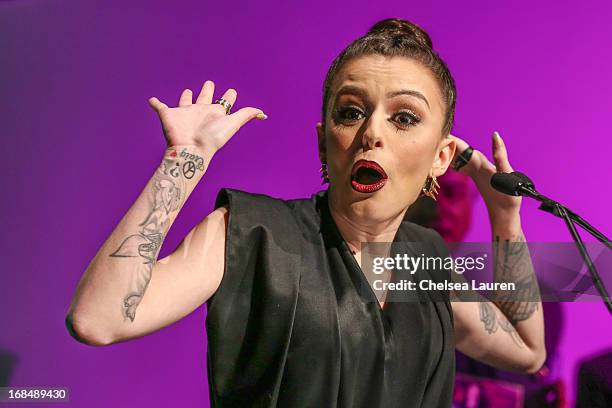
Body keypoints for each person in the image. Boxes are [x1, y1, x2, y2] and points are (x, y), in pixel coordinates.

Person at [65, 18, 545, 407]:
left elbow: (528, 352)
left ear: (440, 158)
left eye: (404, 118)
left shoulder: (426, 265)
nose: (372, 132)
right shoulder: (254, 233)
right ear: (323, 140)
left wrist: (506, 218)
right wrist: (183, 160)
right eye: (351, 112)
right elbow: (97, 320)